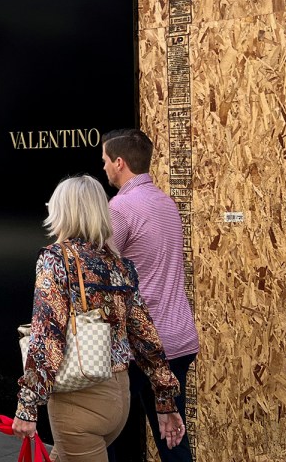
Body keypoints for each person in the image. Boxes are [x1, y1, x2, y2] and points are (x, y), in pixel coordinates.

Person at [12, 175, 185, 462]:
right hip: (119, 398)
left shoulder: (55, 259)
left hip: (79, 399)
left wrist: (27, 406)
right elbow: (145, 336)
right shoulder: (120, 265)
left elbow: (47, 336)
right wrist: (165, 401)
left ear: (63, 211)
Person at [102, 129, 198, 462]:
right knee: (172, 436)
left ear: (119, 162)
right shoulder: (166, 203)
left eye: (105, 161)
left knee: (105, 432)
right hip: (179, 340)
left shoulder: (120, 208)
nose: (104, 167)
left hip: (141, 346)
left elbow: (99, 273)